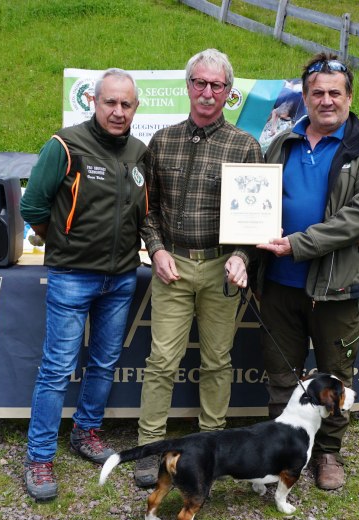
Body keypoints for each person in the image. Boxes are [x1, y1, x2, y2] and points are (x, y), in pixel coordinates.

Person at [255, 53, 359, 490]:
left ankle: (328, 452)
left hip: (336, 285)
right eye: (317, 93)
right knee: (282, 373)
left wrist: (299, 244)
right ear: (305, 96)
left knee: (336, 373)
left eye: (335, 92)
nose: (326, 100)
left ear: (349, 97)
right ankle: (282, 448)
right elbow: (258, 199)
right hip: (280, 282)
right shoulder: (283, 142)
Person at [19, 69, 150, 502]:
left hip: (122, 277)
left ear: (135, 108)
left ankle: (86, 432)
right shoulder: (65, 145)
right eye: (110, 102)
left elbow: (142, 214)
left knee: (104, 362)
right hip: (72, 276)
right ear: (94, 101)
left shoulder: (139, 153)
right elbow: (32, 205)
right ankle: (39, 457)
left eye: (126, 104)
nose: (118, 111)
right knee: (57, 369)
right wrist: (62, 241)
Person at [134, 48, 263, 487]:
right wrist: (156, 249)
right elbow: (148, 209)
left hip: (220, 269)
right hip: (172, 265)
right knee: (161, 360)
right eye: (200, 83)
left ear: (229, 93)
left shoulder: (245, 147)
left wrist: (242, 256)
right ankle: (150, 447)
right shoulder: (162, 141)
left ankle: (212, 449)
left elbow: (258, 218)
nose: (207, 92)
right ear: (188, 86)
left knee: (217, 361)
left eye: (217, 85)